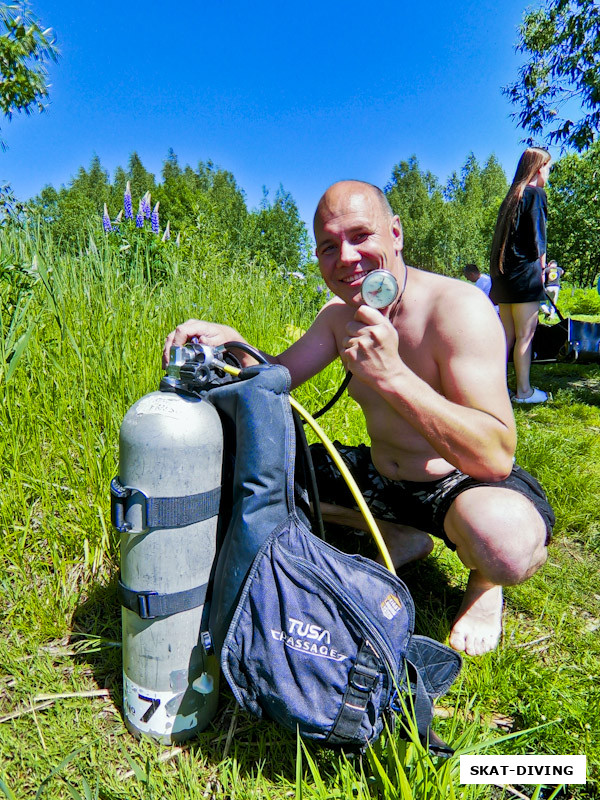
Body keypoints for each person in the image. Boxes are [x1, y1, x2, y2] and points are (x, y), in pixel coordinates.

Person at [164, 180, 554, 657]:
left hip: (458, 483)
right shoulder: (338, 317)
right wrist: (232, 341)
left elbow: (495, 456)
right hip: (379, 478)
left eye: (360, 236)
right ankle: (397, 532)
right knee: (256, 479)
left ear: (395, 234)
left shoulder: (457, 309)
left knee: (506, 544)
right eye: (329, 246)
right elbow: (276, 378)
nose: (346, 257)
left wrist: (392, 376)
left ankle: (484, 581)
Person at [490, 147, 552, 404]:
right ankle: (524, 392)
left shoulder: (511, 197)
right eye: (549, 168)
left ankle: (494, 389)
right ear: (540, 168)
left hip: (504, 276)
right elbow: (539, 238)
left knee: (507, 336)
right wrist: (544, 270)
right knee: (526, 335)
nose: (549, 173)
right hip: (525, 273)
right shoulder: (536, 194)